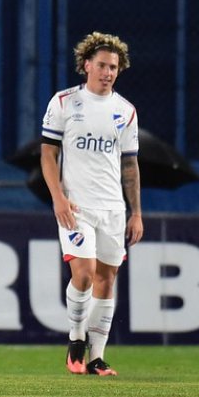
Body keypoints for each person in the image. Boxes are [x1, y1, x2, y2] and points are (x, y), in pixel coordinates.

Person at [40, 31, 142, 377]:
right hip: (76, 207)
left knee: (106, 279)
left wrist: (136, 212)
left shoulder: (125, 112)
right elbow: (48, 153)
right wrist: (58, 198)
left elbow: (130, 165)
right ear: (87, 65)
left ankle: (97, 357)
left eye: (113, 67)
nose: (108, 72)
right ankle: (75, 340)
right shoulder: (65, 102)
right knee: (82, 275)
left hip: (113, 208)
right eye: (102, 65)